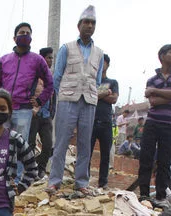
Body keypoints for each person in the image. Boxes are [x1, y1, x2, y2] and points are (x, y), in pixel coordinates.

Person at [46, 6, 102, 195]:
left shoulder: (99, 53)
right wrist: (60, 98)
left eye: (92, 23)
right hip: (68, 100)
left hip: (89, 101)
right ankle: (54, 181)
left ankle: (81, 182)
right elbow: (57, 76)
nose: (89, 26)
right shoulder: (66, 48)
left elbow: (98, 80)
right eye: (86, 22)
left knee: (85, 143)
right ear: (79, 25)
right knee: (61, 141)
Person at [0, 22, 53, 180]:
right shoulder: (4, 60)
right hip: (4, 110)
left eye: (28, 33)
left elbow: (50, 84)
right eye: (21, 32)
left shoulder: (37, 60)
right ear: (14, 37)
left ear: (31, 38)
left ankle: (15, 180)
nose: (24, 35)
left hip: (24, 110)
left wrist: (39, 100)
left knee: (18, 146)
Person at [131, 43, 171, 202]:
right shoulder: (152, 79)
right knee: (146, 158)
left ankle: (161, 196)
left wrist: (156, 91)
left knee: (164, 161)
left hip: (169, 125)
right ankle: (145, 195)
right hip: (152, 123)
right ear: (162, 56)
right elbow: (153, 102)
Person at [89, 54, 118, 189]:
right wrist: (105, 93)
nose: (102, 65)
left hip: (106, 122)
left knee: (105, 155)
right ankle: (84, 180)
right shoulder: (91, 81)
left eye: (104, 63)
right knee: (86, 152)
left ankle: (103, 183)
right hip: (91, 120)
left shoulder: (113, 82)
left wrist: (97, 95)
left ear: (108, 64)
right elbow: (89, 96)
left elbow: (114, 99)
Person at [28, 46, 55, 180]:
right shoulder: (34, 76)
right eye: (49, 57)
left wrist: (51, 113)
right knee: (30, 144)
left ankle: (41, 168)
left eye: (52, 58)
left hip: (46, 116)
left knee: (48, 145)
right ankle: (31, 170)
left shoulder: (51, 78)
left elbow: (52, 96)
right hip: (34, 115)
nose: (51, 60)